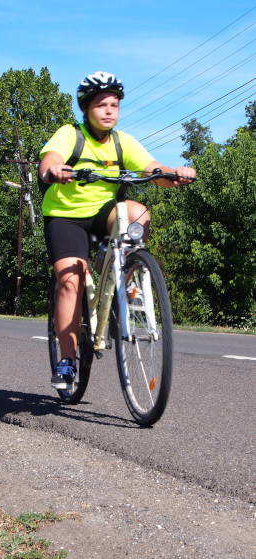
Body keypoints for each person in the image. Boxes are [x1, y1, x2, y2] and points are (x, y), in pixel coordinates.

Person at [38, 71, 196, 390]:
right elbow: (50, 160)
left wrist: (175, 173)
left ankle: (118, 279)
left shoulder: (123, 142)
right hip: (65, 217)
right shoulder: (71, 134)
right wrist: (54, 170)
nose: (109, 111)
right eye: (101, 105)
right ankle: (67, 360)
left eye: (114, 105)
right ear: (86, 109)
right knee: (70, 279)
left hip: (102, 213)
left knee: (138, 211)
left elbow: (153, 170)